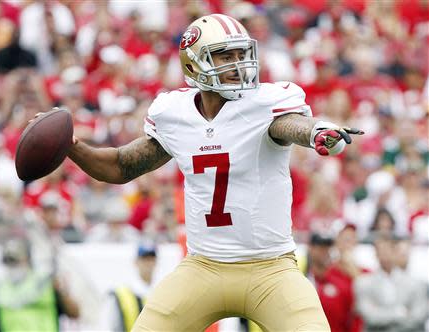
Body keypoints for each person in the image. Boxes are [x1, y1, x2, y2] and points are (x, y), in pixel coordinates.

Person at [60, 14, 363, 331]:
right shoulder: (174, 114)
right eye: (224, 55)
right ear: (193, 64)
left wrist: (315, 132)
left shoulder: (263, 104)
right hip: (203, 267)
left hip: (272, 270)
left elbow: (288, 125)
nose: (237, 64)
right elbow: (121, 166)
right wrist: (72, 146)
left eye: (240, 54)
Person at [0, 238, 79, 332]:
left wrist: (63, 292)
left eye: (16, 261)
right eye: (8, 261)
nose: (13, 265)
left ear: (27, 260)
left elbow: (74, 313)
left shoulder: (45, 284)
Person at [354, 235, 427, 331]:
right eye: (381, 251)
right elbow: (370, 316)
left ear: (396, 252)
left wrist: (381, 314)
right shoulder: (363, 282)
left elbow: (419, 316)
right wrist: (399, 312)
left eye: (389, 250)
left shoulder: (416, 283)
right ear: (376, 254)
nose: (385, 255)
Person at [101, 243, 157, 331]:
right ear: (136, 262)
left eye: (151, 259)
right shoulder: (121, 293)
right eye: (144, 259)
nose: (148, 263)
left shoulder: (161, 291)